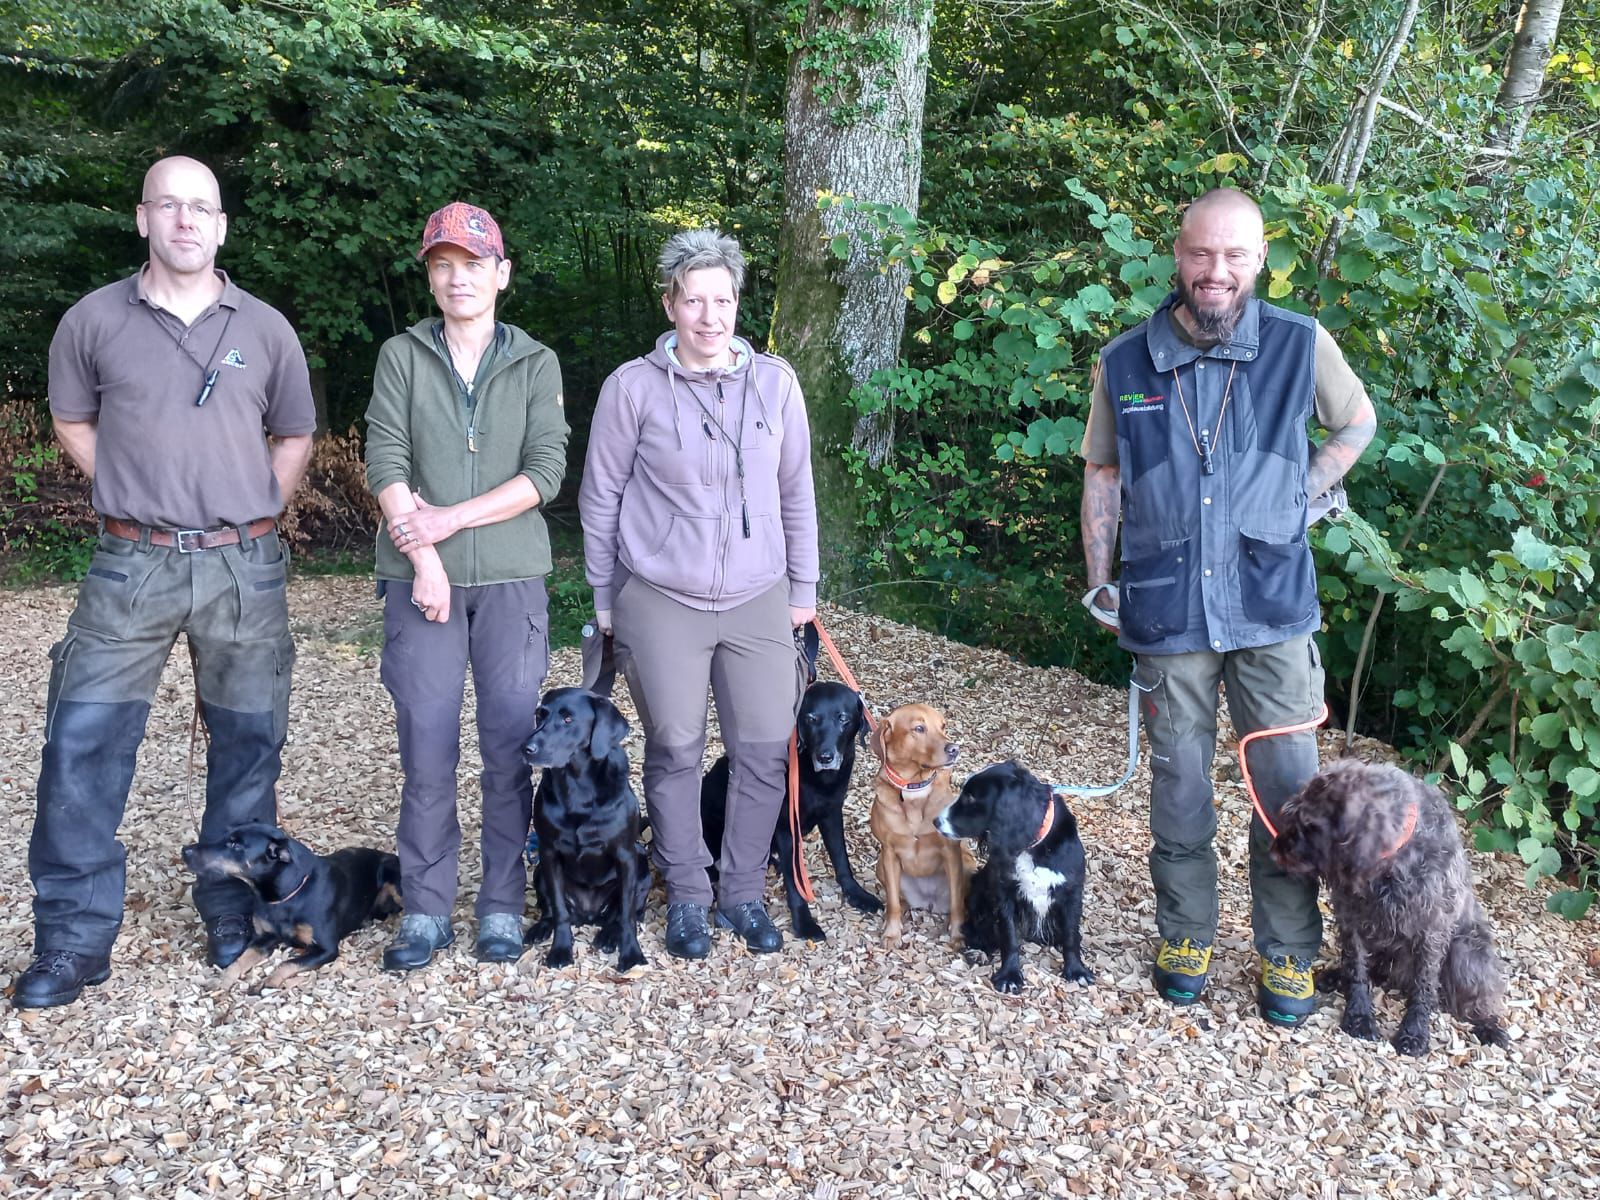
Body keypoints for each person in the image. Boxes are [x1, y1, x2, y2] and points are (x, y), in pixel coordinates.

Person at [13, 156, 316, 1009]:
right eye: (170, 206)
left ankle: (231, 906)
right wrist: (131, 493)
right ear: (142, 218)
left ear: (222, 227)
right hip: (129, 565)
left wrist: (253, 510)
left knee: (250, 747)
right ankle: (73, 941)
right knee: (81, 747)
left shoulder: (265, 329)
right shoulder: (92, 321)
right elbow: (73, 419)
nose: (187, 221)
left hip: (244, 568)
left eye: (204, 208)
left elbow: (294, 433)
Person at [1078, 187, 1377, 1026]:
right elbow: (1103, 474)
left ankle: (1286, 954)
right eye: (1201, 254)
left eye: (1234, 256)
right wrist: (1101, 576)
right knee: (1178, 785)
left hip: (1271, 605)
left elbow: (1358, 422)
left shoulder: (1298, 343)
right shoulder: (1126, 360)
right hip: (1166, 603)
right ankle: (1186, 937)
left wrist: (1301, 494)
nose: (1215, 271)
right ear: (1177, 255)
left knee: (1286, 789)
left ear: (1259, 260)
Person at [579, 229, 818, 959]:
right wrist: (604, 595)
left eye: (722, 300)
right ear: (670, 304)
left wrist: (802, 587)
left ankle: (742, 891)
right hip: (660, 593)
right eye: (694, 300)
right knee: (676, 745)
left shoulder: (775, 383)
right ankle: (686, 891)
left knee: (761, 746)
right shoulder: (632, 387)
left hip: (758, 594)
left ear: (739, 303)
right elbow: (601, 496)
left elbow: (797, 490)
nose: (709, 316)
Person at [364, 202, 570, 970]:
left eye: (472, 264)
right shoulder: (402, 356)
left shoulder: (536, 362)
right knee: (425, 745)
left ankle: (499, 906)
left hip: (513, 579)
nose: (458, 278)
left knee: (511, 746)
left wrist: (449, 521)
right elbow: (384, 457)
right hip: (420, 582)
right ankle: (424, 906)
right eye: (442, 265)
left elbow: (543, 473)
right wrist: (424, 557)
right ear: (430, 276)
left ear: (501, 274)